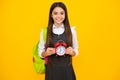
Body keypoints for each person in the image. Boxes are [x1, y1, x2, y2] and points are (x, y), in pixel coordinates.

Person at [38, 2, 78, 80]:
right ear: (51, 15)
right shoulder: (44, 32)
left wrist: (72, 52)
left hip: (67, 72)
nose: (59, 16)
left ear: (65, 15)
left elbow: (76, 50)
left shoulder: (72, 31)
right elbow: (40, 53)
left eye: (62, 13)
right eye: (55, 13)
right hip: (51, 72)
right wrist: (46, 53)